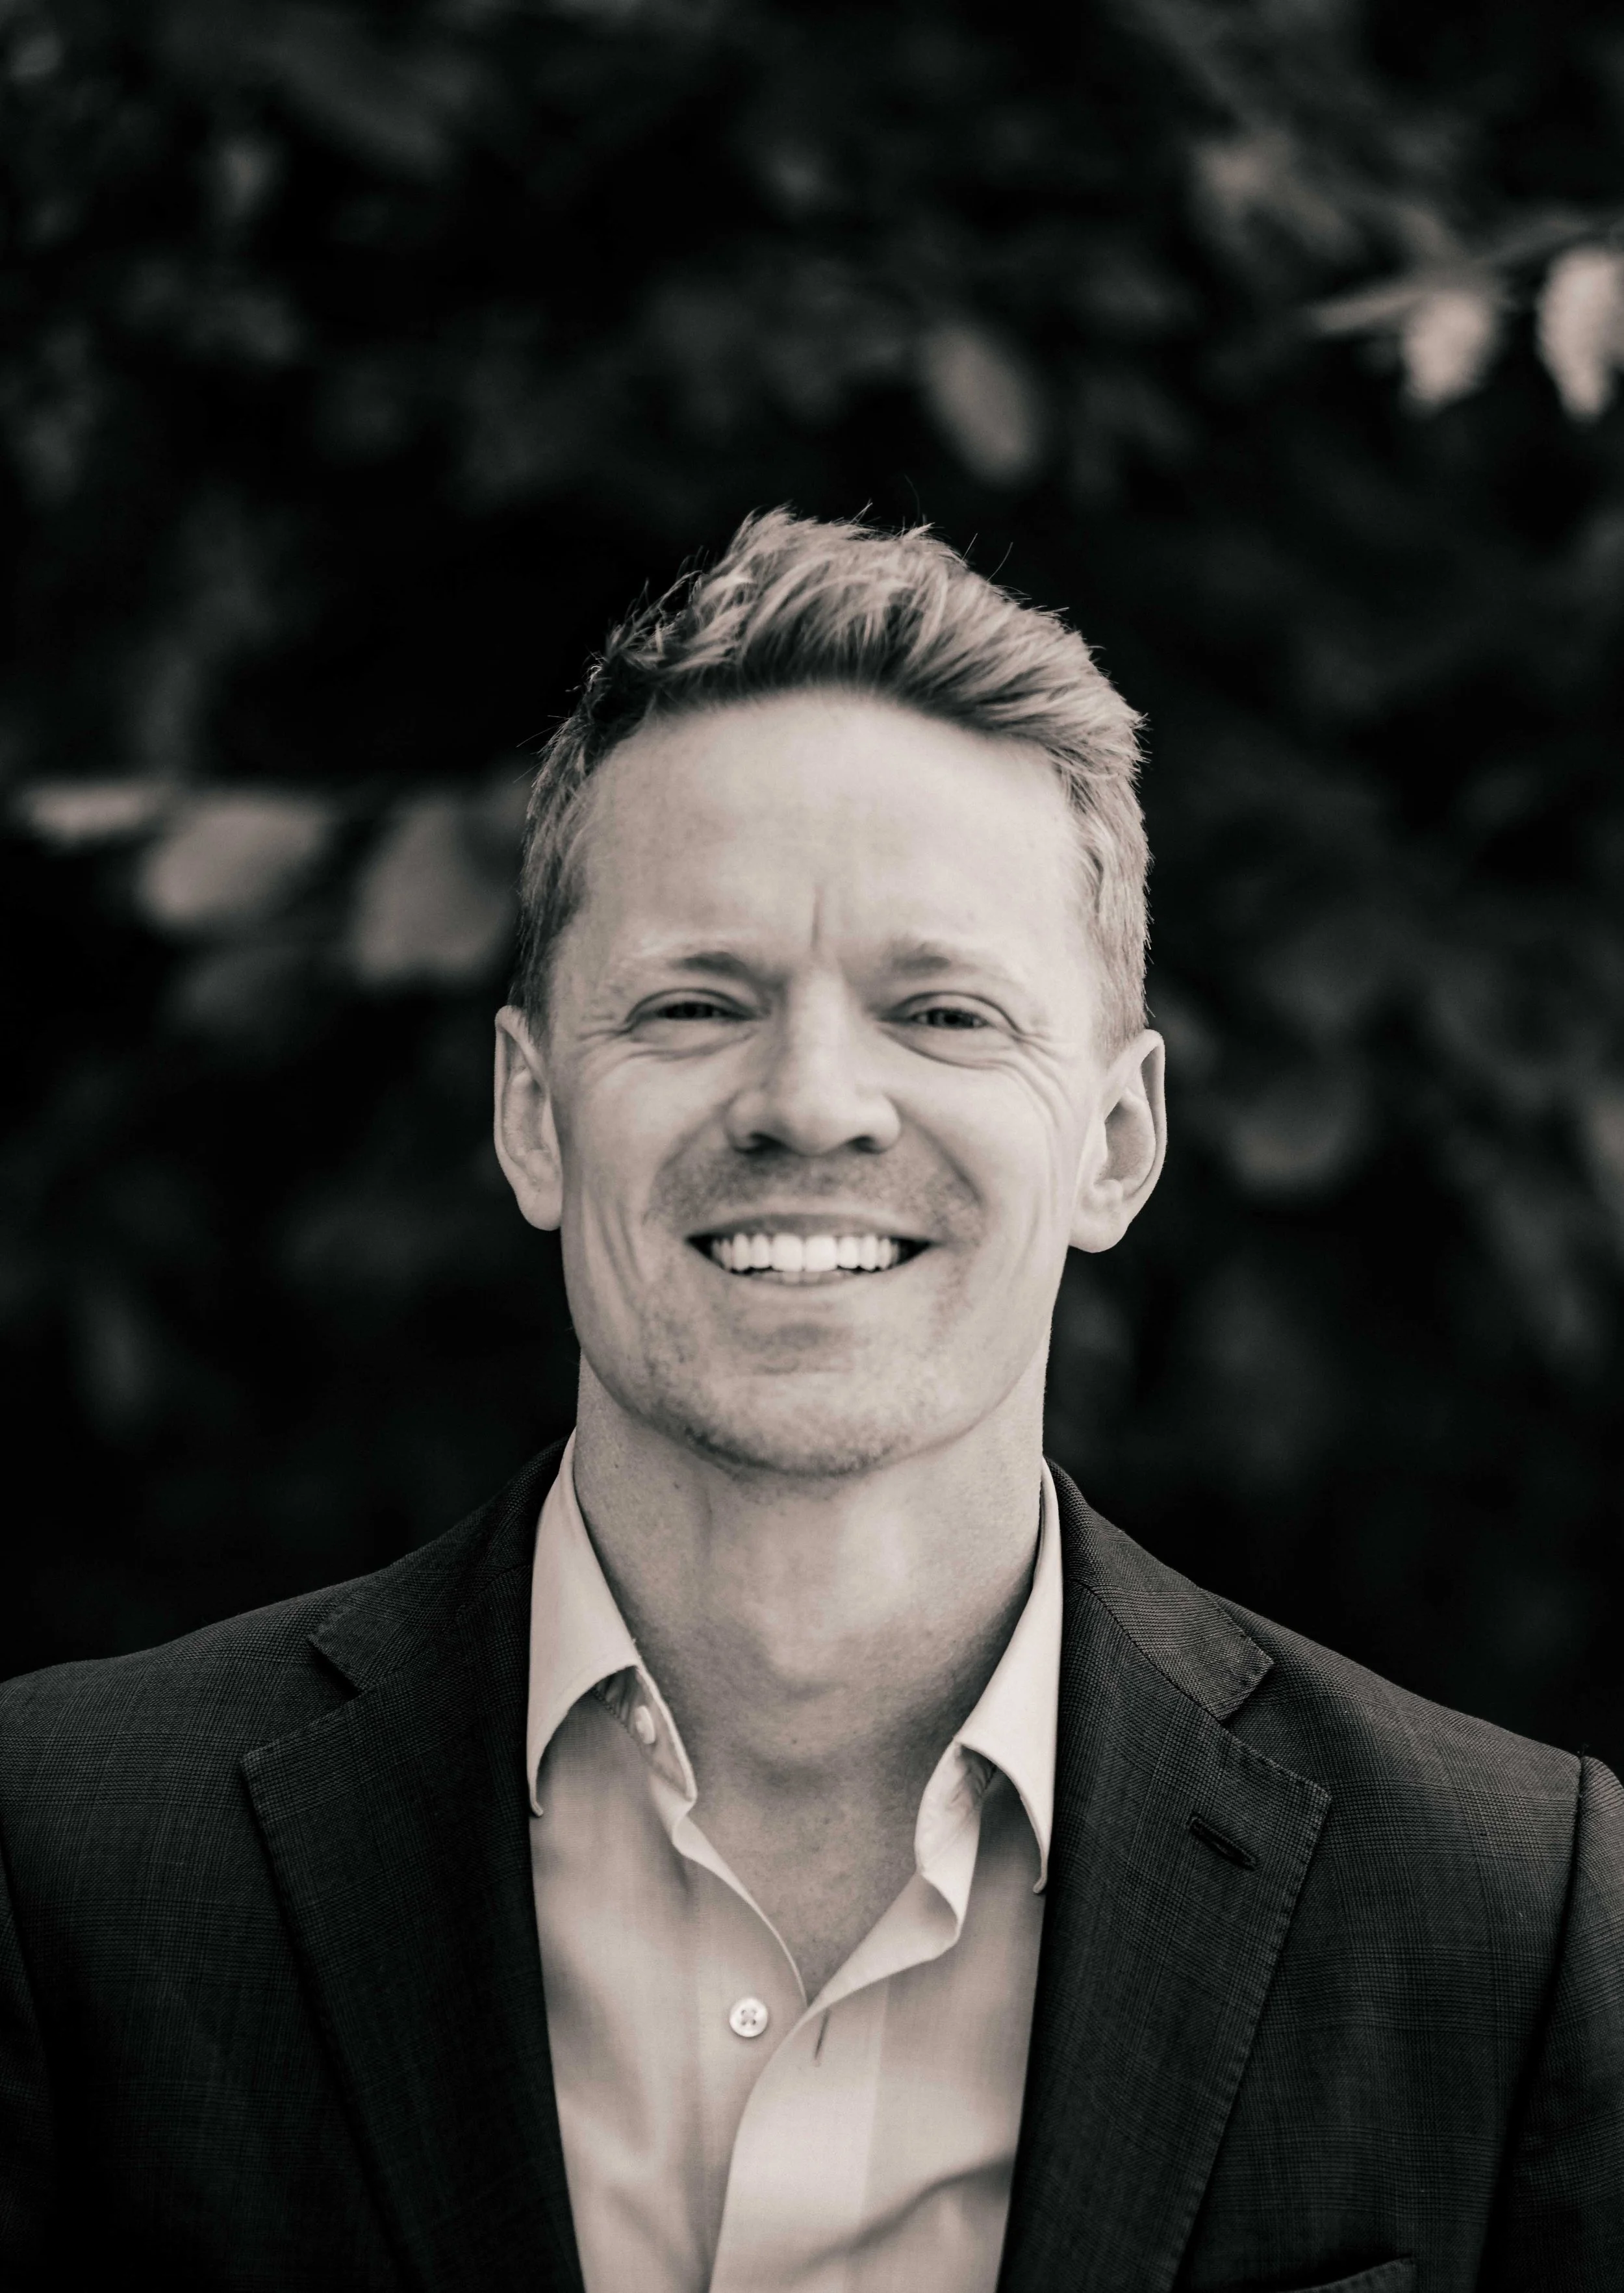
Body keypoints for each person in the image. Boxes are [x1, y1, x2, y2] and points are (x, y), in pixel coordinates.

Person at [1, 511, 1619, 2293]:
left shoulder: (1509, 1917)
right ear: (534, 1116)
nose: (814, 1103)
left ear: (1117, 1141)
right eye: (698, 1004)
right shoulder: (63, 1854)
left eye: (944, 1013)